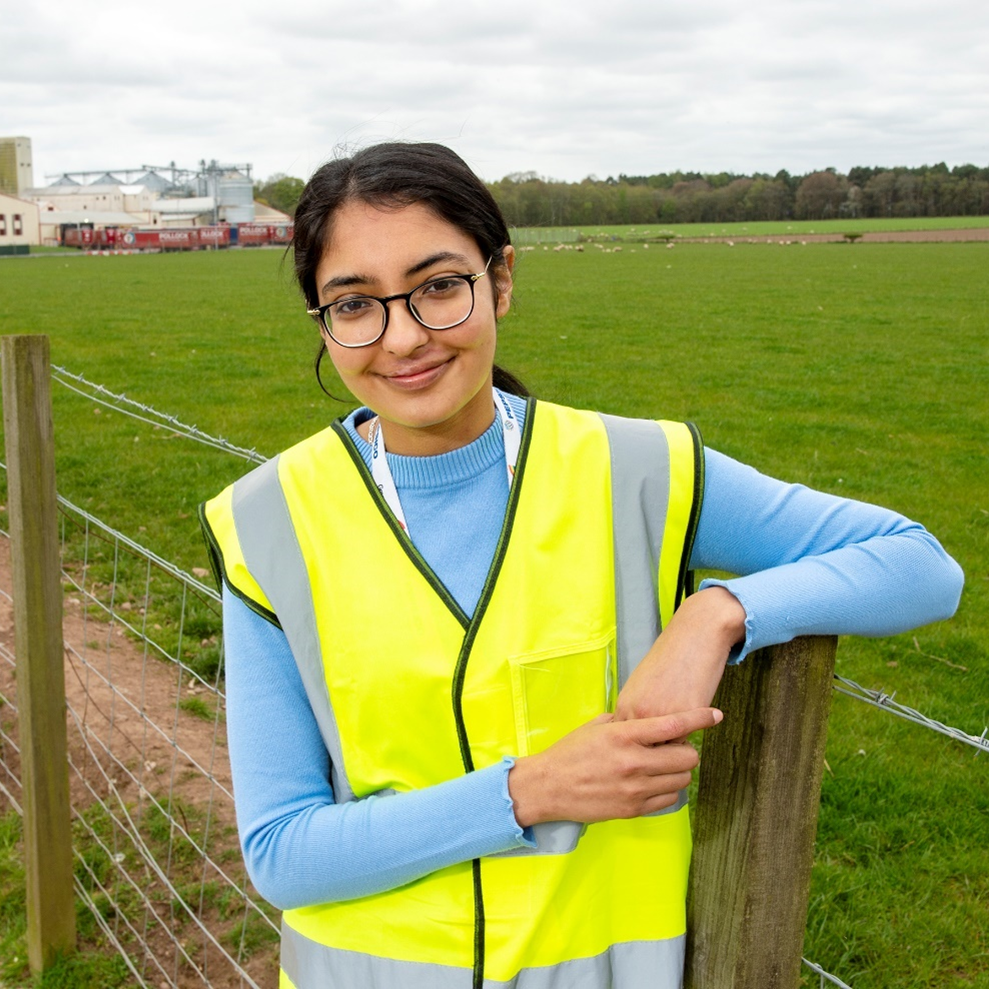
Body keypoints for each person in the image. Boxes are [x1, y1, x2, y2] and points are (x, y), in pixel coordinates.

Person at [200, 142, 963, 989]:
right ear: (322, 320)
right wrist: (529, 791)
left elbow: (920, 564)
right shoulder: (267, 520)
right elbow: (283, 853)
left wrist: (718, 614)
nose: (404, 336)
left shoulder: (639, 469)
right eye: (354, 304)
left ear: (501, 280)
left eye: (439, 286)